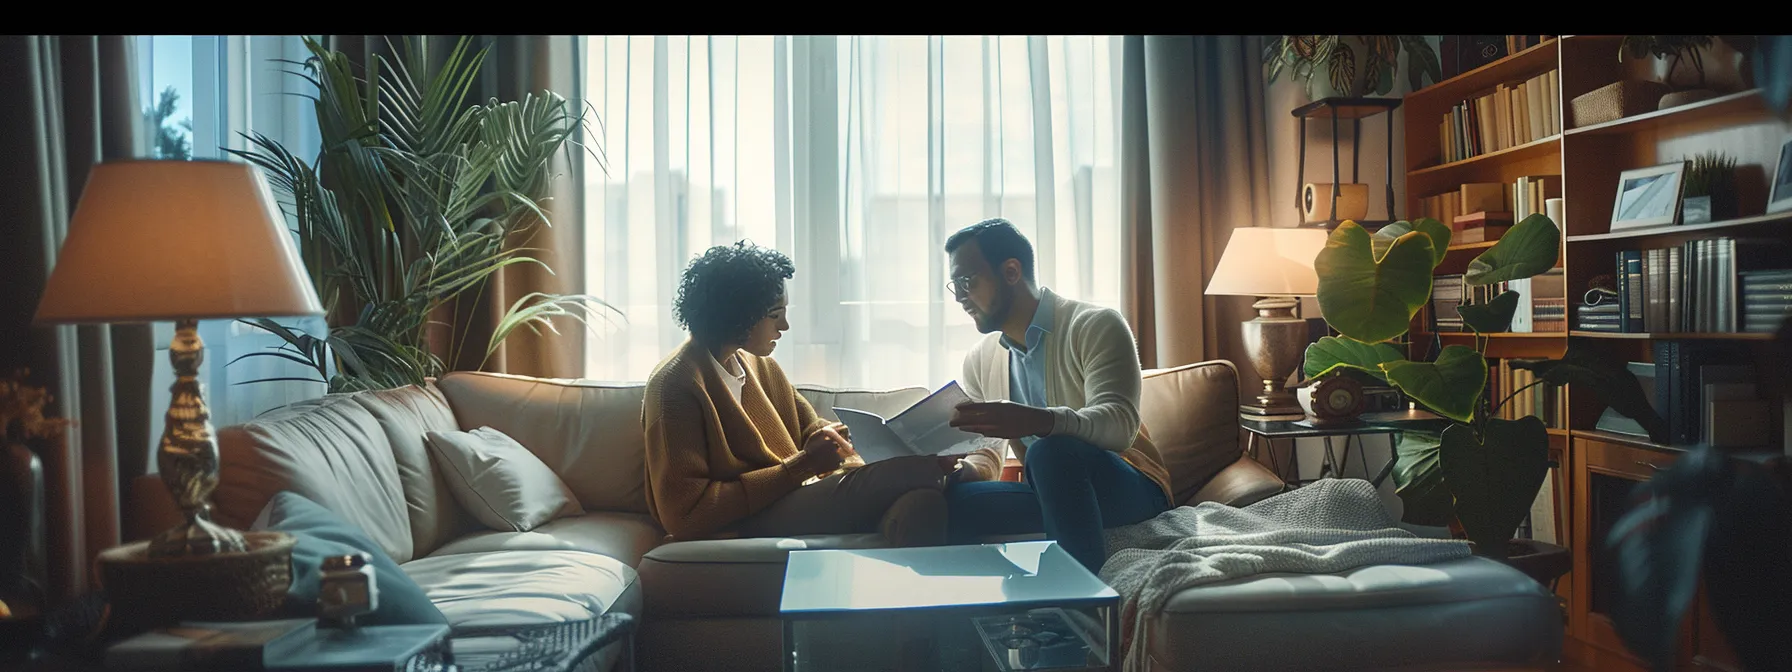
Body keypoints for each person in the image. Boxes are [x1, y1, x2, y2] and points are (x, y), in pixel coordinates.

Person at [642, 241, 954, 547]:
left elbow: (810, 426)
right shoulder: (676, 386)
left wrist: (834, 439)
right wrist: (802, 465)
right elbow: (684, 516)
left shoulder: (758, 366)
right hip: (742, 518)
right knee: (912, 472)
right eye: (776, 314)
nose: (785, 326)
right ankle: (947, 471)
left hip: (792, 494)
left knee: (921, 501)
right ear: (739, 314)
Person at [941, 218, 1173, 572]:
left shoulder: (1096, 325)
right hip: (1051, 488)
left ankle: (1079, 612)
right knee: (953, 500)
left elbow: (1119, 426)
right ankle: (1000, 618)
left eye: (967, 281)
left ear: (1012, 271)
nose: (959, 297)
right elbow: (988, 456)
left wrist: (1040, 421)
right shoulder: (980, 359)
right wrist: (951, 469)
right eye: (954, 284)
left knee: (1050, 451)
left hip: (1131, 484)